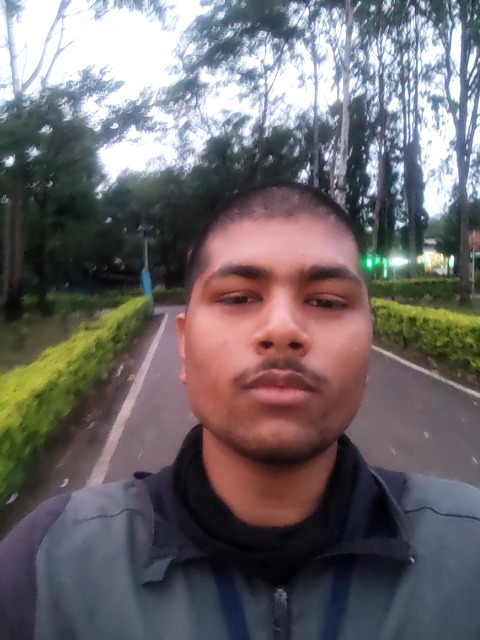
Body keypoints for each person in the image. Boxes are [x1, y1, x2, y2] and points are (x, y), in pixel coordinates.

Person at [1, 182, 480, 640]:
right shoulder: (49, 566)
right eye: (238, 298)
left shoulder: (467, 550)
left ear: (369, 343)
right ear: (183, 343)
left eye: (326, 301)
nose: (282, 329)